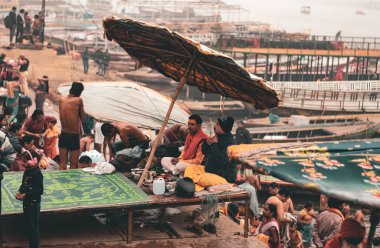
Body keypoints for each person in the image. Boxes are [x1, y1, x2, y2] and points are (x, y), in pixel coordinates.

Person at [184, 116, 236, 191]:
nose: (215, 125)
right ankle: (191, 186)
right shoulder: (217, 136)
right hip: (209, 170)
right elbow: (204, 152)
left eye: (217, 124)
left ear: (223, 128)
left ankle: (193, 188)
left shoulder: (230, 143)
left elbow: (222, 161)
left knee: (201, 177)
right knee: (190, 168)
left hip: (223, 177)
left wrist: (214, 144)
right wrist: (206, 143)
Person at [15, 148, 43, 248]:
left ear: (32, 161)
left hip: (33, 203)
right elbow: (24, 184)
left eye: (24, 161)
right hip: (27, 203)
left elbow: (39, 190)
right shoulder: (27, 172)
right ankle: (31, 243)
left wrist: (26, 195)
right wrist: (19, 191)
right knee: (28, 224)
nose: (23, 163)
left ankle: (34, 245)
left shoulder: (37, 173)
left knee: (33, 226)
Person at [58, 82, 85, 170]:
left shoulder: (61, 99)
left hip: (63, 134)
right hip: (73, 136)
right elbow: (83, 118)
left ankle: (60, 183)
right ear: (79, 92)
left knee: (62, 164)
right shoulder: (78, 100)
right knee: (73, 166)